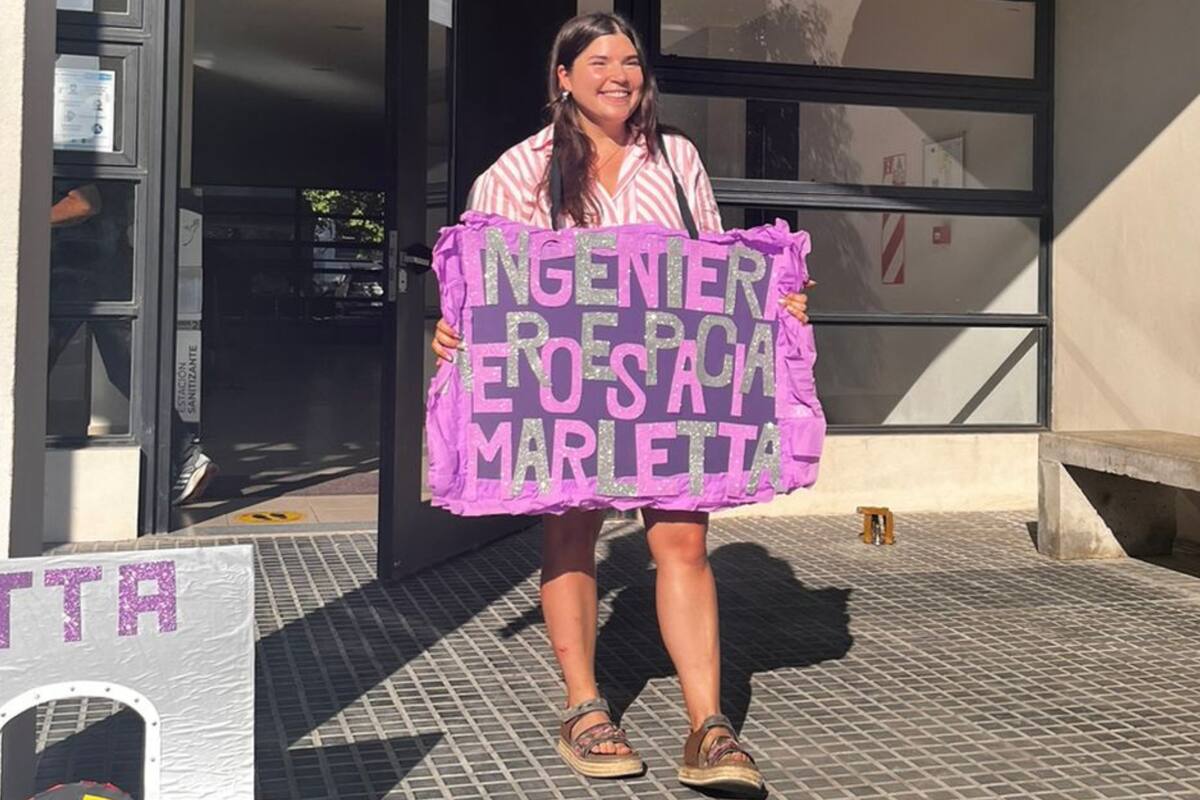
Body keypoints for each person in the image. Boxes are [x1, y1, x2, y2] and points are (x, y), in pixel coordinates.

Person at [431, 13, 811, 796]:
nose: (619, 74)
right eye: (598, 60)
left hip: (669, 394)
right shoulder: (517, 173)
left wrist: (772, 306)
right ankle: (584, 708)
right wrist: (455, 328)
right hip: (565, 396)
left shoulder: (677, 160)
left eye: (630, 60)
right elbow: (490, 287)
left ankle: (708, 726)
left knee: (684, 544)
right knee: (570, 535)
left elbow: (713, 274)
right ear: (562, 77)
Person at [50, 182, 217, 506]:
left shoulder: (74, 149)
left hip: (77, 272)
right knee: (126, 368)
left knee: (30, 359)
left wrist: (23, 218)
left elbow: (84, 204)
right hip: (108, 271)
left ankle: (185, 456)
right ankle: (186, 456)